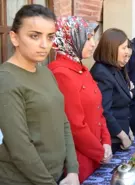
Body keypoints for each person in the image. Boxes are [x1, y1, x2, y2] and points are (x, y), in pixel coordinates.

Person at [0, 4, 79, 185]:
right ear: (14, 38)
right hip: (21, 180)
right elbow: (19, 148)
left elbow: (63, 121)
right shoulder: (6, 80)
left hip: (57, 175)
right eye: (34, 36)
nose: (44, 45)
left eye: (50, 37)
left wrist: (73, 170)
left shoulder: (45, 72)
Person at [48, 16, 112, 183]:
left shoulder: (82, 69)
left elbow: (99, 111)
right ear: (71, 39)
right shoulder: (61, 73)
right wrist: (100, 151)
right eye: (87, 39)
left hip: (96, 154)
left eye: (92, 38)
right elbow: (74, 125)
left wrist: (106, 142)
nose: (93, 44)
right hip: (79, 160)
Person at [91, 28, 134, 153]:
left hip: (121, 132)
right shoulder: (101, 72)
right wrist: (123, 135)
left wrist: (128, 129)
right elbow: (104, 111)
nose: (127, 52)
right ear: (111, 48)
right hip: (112, 139)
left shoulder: (116, 68)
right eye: (124, 48)